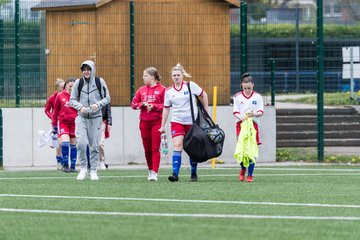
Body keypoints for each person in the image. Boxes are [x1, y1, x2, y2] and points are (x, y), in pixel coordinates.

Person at [159, 63, 208, 182]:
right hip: (177, 122)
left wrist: (206, 113)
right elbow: (166, 108)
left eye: (178, 75)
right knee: (177, 145)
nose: (176, 77)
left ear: (182, 75)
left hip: (192, 123)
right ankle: (175, 174)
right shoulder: (169, 91)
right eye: (174, 75)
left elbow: (204, 94)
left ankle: (193, 173)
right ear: (171, 77)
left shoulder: (191, 86)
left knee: (192, 148)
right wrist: (162, 125)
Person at [70, 60, 111, 181]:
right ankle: (83, 168)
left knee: (95, 145)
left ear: (92, 70)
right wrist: (81, 107)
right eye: (84, 69)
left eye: (88, 69)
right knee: (81, 143)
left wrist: (97, 105)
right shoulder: (78, 82)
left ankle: (93, 170)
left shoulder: (100, 82)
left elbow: (107, 98)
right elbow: (72, 99)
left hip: (96, 117)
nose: (86, 72)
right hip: (81, 117)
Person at [131, 67, 166, 181]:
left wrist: (154, 106)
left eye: (145, 76)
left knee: (155, 147)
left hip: (157, 122)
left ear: (152, 77)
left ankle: (155, 172)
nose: (143, 78)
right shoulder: (141, 90)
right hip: (144, 122)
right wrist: (142, 104)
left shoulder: (162, 90)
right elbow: (133, 104)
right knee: (147, 148)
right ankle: (150, 169)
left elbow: (166, 106)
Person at [232, 72, 264, 182]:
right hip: (240, 125)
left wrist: (253, 114)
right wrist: (241, 117)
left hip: (253, 125)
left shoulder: (258, 97)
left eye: (249, 88)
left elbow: (261, 112)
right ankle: (242, 169)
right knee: (242, 149)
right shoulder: (237, 97)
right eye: (245, 88)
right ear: (242, 86)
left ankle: (250, 175)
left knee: (251, 150)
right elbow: (235, 112)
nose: (247, 90)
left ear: (253, 85)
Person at [52, 77, 78, 172]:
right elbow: (55, 112)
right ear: (66, 86)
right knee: (65, 143)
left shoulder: (78, 96)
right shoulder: (60, 96)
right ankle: (65, 165)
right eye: (70, 86)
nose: (71, 88)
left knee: (73, 144)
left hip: (74, 124)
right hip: (63, 123)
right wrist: (54, 126)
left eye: (73, 86)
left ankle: (73, 166)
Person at [44, 78, 65, 170]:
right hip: (56, 124)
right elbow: (47, 110)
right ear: (57, 88)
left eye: (64, 87)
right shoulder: (53, 97)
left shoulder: (67, 96)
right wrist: (53, 117)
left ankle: (65, 160)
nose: (63, 89)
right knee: (58, 144)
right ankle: (59, 161)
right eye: (61, 87)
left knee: (65, 142)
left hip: (65, 122)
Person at [98, 103, 112, 170]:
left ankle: (101, 161)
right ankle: (89, 162)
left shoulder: (105, 96)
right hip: (90, 122)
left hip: (101, 122)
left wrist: (109, 123)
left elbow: (108, 111)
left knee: (100, 143)